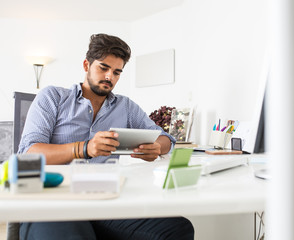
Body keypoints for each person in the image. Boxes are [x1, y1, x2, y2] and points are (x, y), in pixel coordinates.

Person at [18, 33, 194, 240]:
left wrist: (158, 147)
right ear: (86, 65)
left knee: (178, 228)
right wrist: (84, 148)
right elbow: (27, 154)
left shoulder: (125, 107)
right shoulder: (53, 97)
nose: (110, 77)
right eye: (103, 68)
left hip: (104, 200)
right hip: (54, 199)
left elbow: (166, 139)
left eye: (117, 72)